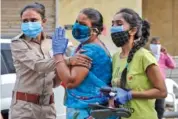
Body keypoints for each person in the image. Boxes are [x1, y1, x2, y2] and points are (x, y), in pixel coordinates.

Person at [9, 3, 91, 119]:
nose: (29, 24)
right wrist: (66, 60)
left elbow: (55, 82)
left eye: (33, 20)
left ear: (44, 21)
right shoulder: (18, 43)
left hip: (48, 106)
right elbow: (38, 65)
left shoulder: (51, 42)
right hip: (25, 108)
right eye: (25, 21)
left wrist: (66, 61)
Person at [52, 8, 116, 119]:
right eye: (77, 22)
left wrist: (58, 55)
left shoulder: (90, 50)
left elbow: (71, 82)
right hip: (88, 109)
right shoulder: (88, 46)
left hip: (87, 111)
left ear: (95, 31)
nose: (77, 26)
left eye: (82, 24)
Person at [110, 8, 167, 119]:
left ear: (133, 31)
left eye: (119, 24)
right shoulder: (116, 57)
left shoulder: (144, 57)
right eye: (112, 24)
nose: (113, 28)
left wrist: (130, 94)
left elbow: (162, 92)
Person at [150, 37, 176, 119]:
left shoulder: (162, 56)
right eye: (154, 44)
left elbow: (173, 65)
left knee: (160, 107)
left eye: (158, 44)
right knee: (150, 106)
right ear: (151, 45)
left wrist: (166, 54)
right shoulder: (147, 55)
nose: (156, 46)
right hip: (149, 84)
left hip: (160, 84)